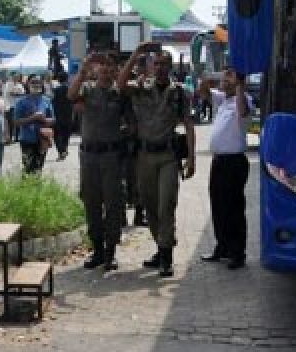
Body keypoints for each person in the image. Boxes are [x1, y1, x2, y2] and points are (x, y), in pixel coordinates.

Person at [118, 44, 197, 278]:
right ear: (152, 66)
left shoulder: (180, 92)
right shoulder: (141, 88)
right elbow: (120, 85)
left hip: (168, 157)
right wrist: (136, 53)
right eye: (157, 64)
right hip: (144, 156)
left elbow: (189, 125)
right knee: (150, 207)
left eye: (165, 64)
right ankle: (160, 246)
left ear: (171, 68)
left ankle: (166, 257)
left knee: (166, 206)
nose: (161, 68)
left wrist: (192, 158)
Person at [69, 53, 125, 271]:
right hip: (89, 156)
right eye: (102, 67)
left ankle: (111, 251)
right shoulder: (87, 89)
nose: (106, 70)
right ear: (96, 69)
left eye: (110, 67)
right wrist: (83, 69)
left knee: (112, 203)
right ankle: (97, 250)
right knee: (91, 202)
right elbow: (70, 95)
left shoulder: (119, 93)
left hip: (111, 156)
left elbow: (130, 121)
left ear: (115, 70)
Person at [199, 69, 253, 270]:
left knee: (234, 209)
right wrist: (210, 76)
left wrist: (239, 84)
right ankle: (222, 246)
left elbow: (243, 112)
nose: (223, 79)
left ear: (238, 81)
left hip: (234, 162)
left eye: (228, 76)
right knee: (218, 206)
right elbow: (202, 91)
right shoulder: (222, 99)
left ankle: (237, 253)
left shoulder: (243, 99)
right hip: (219, 161)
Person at [12, 74, 55, 173]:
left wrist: (43, 119)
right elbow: (16, 122)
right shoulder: (21, 102)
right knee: (28, 168)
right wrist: (33, 118)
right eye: (33, 82)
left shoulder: (47, 100)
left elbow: (53, 120)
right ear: (27, 84)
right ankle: (26, 187)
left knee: (39, 167)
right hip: (27, 139)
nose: (36, 84)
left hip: (43, 139)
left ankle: (37, 187)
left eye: (38, 82)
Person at [50, 70, 73, 161]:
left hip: (57, 115)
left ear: (59, 80)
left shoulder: (56, 91)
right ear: (67, 79)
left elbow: (52, 102)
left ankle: (61, 151)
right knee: (66, 134)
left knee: (57, 135)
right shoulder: (71, 89)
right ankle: (65, 149)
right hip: (68, 115)